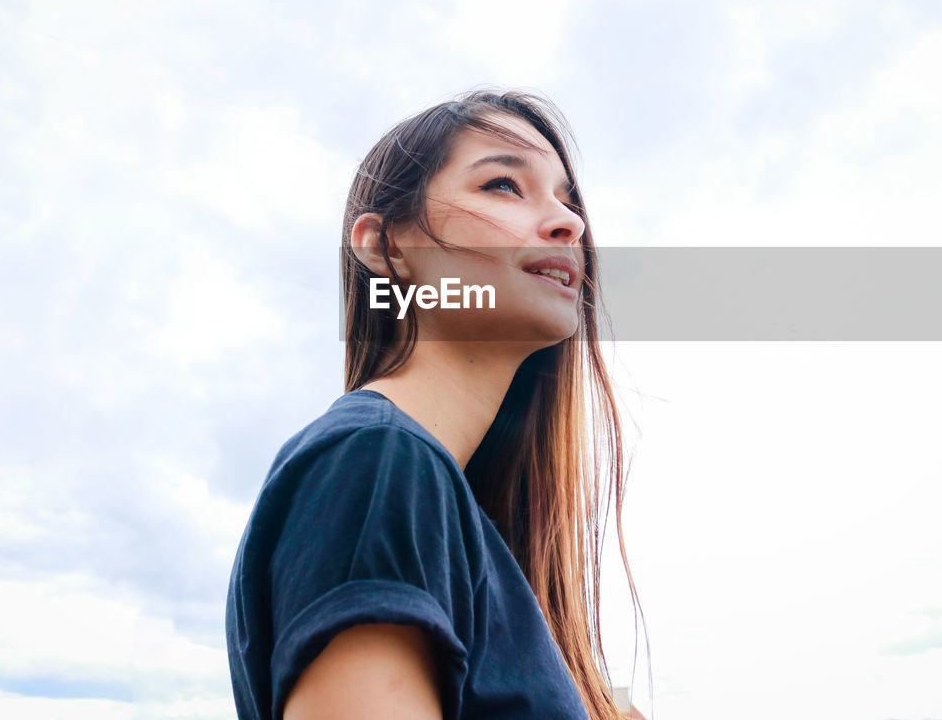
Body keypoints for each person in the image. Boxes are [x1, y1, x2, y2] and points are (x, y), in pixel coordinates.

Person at [226, 89, 647, 719]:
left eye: (568, 199)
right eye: (504, 184)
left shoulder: (448, 508)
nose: (570, 223)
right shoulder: (377, 461)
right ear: (386, 247)